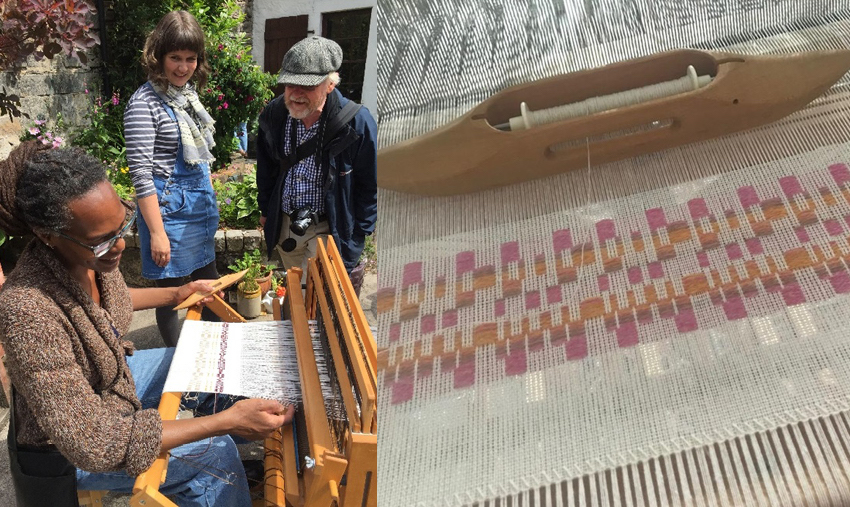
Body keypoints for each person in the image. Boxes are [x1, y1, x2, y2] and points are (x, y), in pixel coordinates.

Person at [0, 142, 293, 507]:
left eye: (122, 225)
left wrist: (176, 294)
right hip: (65, 449)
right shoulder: (27, 311)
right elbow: (93, 441)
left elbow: (109, 304)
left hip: (112, 383)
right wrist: (225, 423)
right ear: (47, 235)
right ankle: (217, 475)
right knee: (214, 450)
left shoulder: (87, 256)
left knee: (204, 365)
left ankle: (255, 468)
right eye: (103, 240)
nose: (120, 244)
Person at [124, 10, 220, 347]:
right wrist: (158, 234)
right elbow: (141, 175)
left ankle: (211, 353)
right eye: (175, 57)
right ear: (158, 56)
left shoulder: (188, 99)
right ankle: (178, 362)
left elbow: (201, 161)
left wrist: (209, 202)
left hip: (197, 209)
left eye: (190, 58)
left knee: (210, 285)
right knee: (172, 294)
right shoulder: (143, 104)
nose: (183, 67)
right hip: (168, 216)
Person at [256, 35, 377, 278]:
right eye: (290, 85)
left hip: (329, 225)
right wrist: (267, 212)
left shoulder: (356, 122)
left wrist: (358, 234)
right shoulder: (275, 114)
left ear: (330, 84)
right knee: (295, 291)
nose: (296, 94)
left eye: (308, 87)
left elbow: (369, 183)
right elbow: (266, 167)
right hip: (287, 226)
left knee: (318, 296)